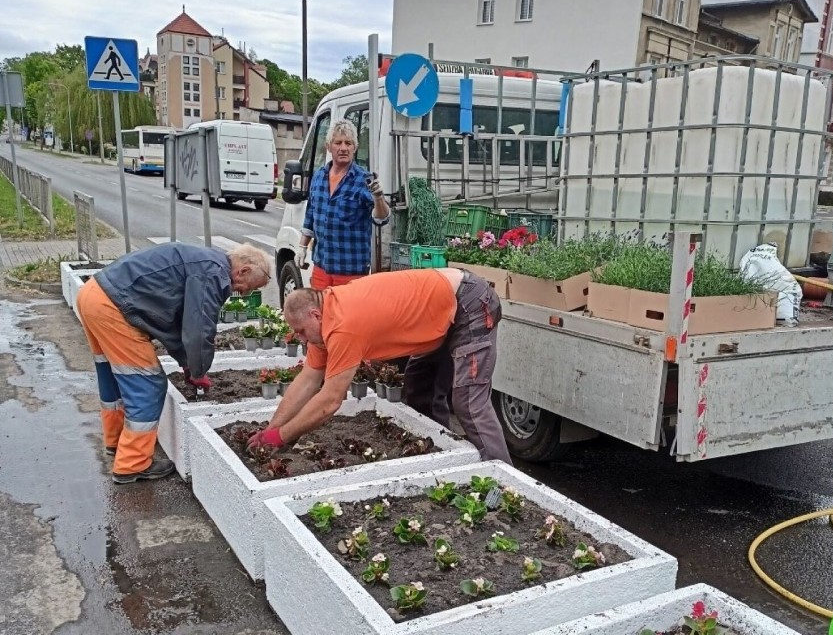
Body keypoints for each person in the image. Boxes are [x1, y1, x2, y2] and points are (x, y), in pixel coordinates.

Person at [249, 268, 512, 463]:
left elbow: (329, 401)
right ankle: (440, 460)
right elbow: (308, 380)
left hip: (470, 302)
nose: (302, 340)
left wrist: (281, 437)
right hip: (441, 311)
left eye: (302, 332)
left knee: (468, 401)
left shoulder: (343, 326)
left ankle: (503, 481)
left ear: (315, 315)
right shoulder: (322, 317)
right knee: (421, 385)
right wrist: (271, 430)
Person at [76, 242, 271, 484]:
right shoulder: (214, 273)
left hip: (94, 295)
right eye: (247, 287)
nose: (243, 293)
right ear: (243, 270)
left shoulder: (206, 262)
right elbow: (198, 327)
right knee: (148, 384)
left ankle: (116, 442)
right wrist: (199, 370)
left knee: (113, 378)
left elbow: (179, 320)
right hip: (114, 309)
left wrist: (188, 365)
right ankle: (131, 465)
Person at [295, 118, 390, 290]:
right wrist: (302, 246)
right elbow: (310, 216)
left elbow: (381, 219)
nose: (343, 148)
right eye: (338, 143)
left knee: (347, 317)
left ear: (355, 147)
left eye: (348, 143)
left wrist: (378, 196)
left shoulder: (364, 180)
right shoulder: (318, 177)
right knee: (320, 314)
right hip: (321, 268)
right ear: (328, 146)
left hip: (351, 273)